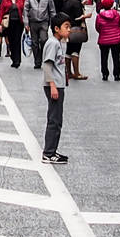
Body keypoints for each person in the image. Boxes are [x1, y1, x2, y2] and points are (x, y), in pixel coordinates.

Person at [39, 14, 72, 165]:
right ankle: (48, 153)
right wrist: (52, 85)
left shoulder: (57, 43)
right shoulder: (52, 43)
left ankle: (52, 150)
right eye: (66, 27)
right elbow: (47, 66)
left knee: (57, 119)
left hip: (58, 85)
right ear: (57, 29)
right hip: (54, 86)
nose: (69, 30)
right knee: (54, 119)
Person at [93, 0, 120, 81]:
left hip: (104, 39)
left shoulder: (99, 16)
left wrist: (103, 32)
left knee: (104, 57)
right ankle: (117, 75)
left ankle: (105, 74)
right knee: (116, 57)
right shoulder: (116, 14)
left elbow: (97, 27)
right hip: (116, 39)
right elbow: (118, 25)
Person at [60, 0, 89, 80]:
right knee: (76, 50)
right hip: (76, 29)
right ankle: (77, 73)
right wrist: (85, 16)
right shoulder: (76, 3)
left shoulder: (67, 1)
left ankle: (68, 73)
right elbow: (77, 18)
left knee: (68, 51)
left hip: (68, 29)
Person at [25, 0, 56, 69]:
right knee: (34, 43)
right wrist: (26, 23)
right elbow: (26, 10)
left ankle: (42, 56)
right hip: (33, 22)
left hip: (44, 21)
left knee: (43, 40)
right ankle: (37, 61)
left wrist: (54, 22)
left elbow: (52, 10)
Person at [0, 0, 27, 69]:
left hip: (18, 23)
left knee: (17, 40)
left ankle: (17, 60)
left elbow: (25, 12)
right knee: (11, 40)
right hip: (8, 23)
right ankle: (13, 57)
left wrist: (26, 24)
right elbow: (1, 11)